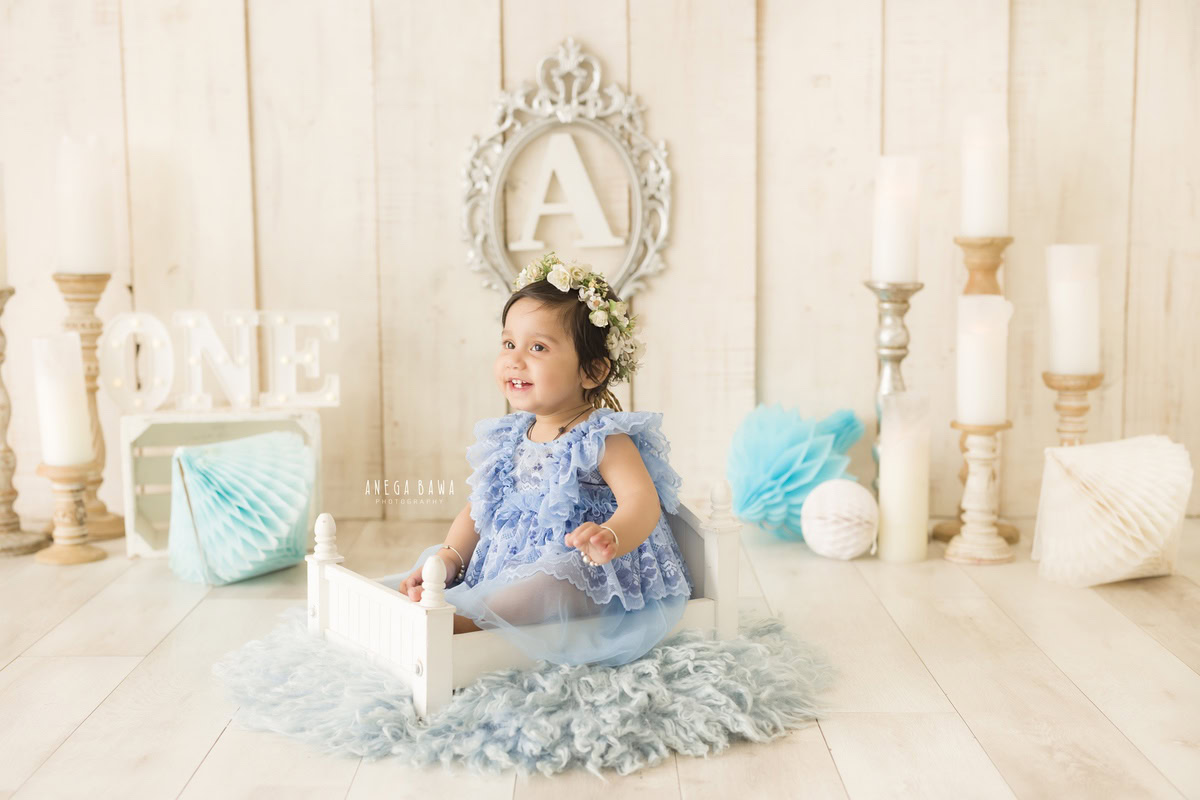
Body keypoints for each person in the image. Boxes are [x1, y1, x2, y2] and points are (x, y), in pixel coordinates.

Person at [377, 252, 693, 667]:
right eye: (509, 344)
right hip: (508, 564)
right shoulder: (511, 434)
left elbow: (642, 502)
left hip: (587, 569)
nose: (514, 359)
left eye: (538, 347)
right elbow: (479, 509)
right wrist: (452, 557)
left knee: (550, 584)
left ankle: (464, 626)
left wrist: (611, 536)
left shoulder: (603, 436)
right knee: (435, 561)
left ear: (592, 371)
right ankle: (442, 603)